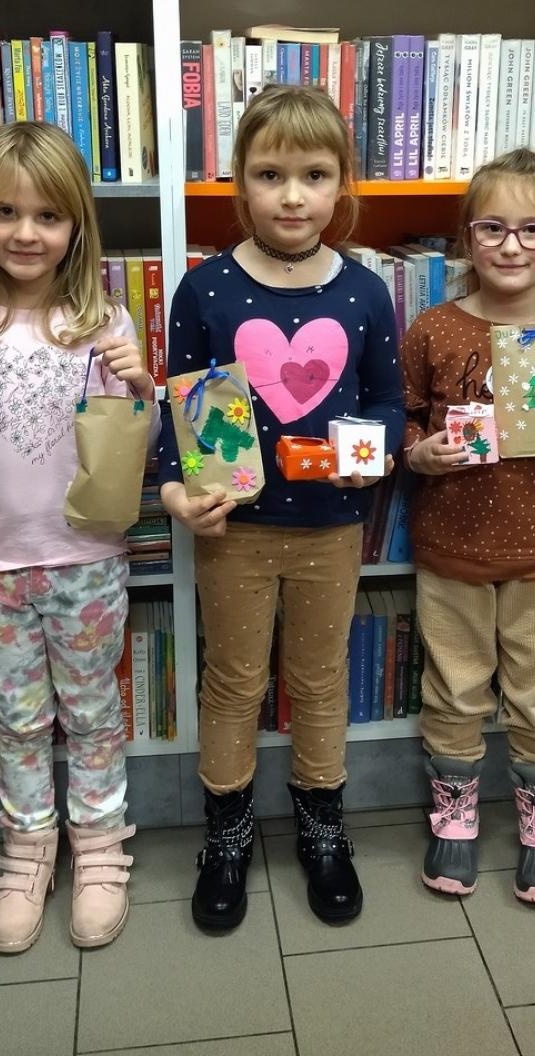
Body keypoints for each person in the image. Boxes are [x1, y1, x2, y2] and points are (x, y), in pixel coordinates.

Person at [158, 84, 404, 932]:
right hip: (235, 530)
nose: (292, 196)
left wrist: (372, 457)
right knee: (233, 681)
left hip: (330, 529)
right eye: (270, 175)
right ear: (241, 183)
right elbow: (181, 406)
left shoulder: (364, 291)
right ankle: (227, 831)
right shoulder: (206, 289)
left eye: (314, 175)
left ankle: (321, 822)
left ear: (342, 184)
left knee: (319, 679)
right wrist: (178, 492)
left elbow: (388, 402)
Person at [0, 122, 156, 952]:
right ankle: (27, 850)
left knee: (90, 712)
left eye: (48, 215)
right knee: (16, 718)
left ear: (77, 225)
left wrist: (142, 389)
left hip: (86, 556)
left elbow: (129, 446)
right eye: (6, 212)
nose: (25, 232)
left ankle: (100, 846)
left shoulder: (103, 321)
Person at [401, 148, 535, 906]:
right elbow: (402, 421)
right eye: (492, 227)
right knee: (454, 690)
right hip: (452, 549)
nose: (512, 245)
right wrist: (418, 454)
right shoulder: (432, 329)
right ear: (466, 237)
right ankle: (454, 815)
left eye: (533, 230)